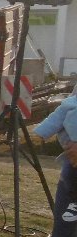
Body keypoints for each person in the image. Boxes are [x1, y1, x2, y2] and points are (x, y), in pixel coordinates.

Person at [32, 86, 77, 223]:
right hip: (71, 154)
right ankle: (74, 201)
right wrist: (42, 131)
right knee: (70, 175)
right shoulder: (71, 102)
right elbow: (57, 116)